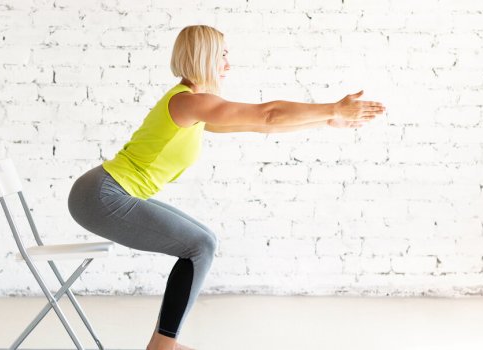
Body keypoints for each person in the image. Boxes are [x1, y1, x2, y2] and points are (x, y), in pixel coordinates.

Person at [67, 24, 385, 350]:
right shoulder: (188, 102)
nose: (228, 64)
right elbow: (268, 115)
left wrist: (328, 121)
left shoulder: (193, 107)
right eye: (222, 54)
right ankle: (162, 347)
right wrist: (332, 107)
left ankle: (163, 345)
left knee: (205, 241)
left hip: (108, 191)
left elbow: (261, 124)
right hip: (102, 195)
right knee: (200, 245)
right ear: (203, 56)